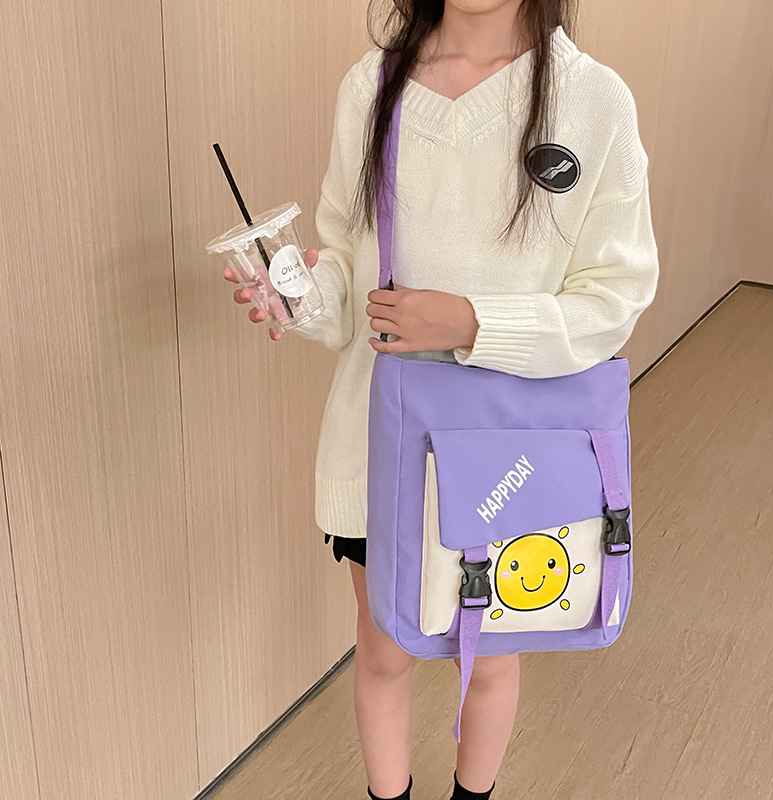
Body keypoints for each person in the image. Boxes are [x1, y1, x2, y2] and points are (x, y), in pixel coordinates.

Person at [224, 1, 659, 798]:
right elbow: (348, 276)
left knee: (490, 655)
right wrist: (297, 296)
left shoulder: (593, 100)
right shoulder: (373, 87)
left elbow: (614, 300)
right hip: (386, 440)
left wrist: (470, 323)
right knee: (384, 649)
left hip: (513, 448)